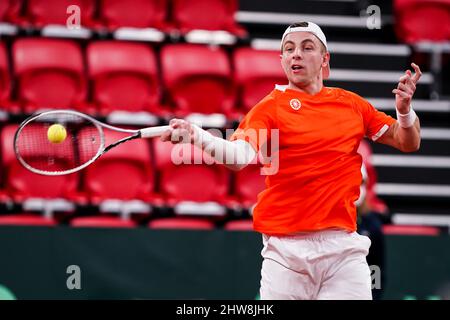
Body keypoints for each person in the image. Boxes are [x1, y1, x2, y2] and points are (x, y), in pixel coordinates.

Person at [160, 21, 422, 300]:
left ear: (325, 59)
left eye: (307, 47)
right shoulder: (269, 108)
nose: (296, 54)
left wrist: (404, 112)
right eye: (289, 49)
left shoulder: (352, 105)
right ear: (282, 60)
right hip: (286, 254)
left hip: (344, 250)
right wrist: (197, 136)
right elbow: (238, 158)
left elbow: (408, 141)